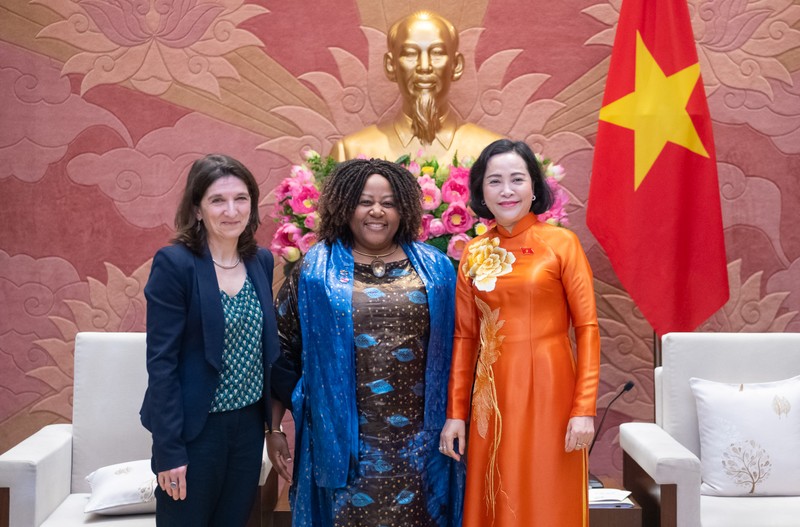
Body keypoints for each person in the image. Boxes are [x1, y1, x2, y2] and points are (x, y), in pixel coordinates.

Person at [267, 158, 464, 526]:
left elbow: (461, 348)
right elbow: (283, 351)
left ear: (403, 208)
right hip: (343, 445)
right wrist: (274, 428)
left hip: (421, 447)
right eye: (365, 201)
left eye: (388, 202)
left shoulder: (436, 269)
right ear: (345, 206)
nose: (377, 212)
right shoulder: (315, 270)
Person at [439, 139, 600, 526]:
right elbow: (464, 337)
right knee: (494, 490)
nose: (506, 190)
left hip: (551, 390)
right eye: (494, 181)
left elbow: (587, 328)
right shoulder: (474, 252)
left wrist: (584, 409)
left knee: (545, 488)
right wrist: (455, 414)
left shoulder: (561, 244)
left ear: (534, 188)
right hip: (490, 396)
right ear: (480, 191)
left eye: (517, 179)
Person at [140, 154, 279, 526]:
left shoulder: (261, 262)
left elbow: (268, 352)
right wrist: (168, 451)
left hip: (247, 428)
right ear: (198, 209)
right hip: (195, 431)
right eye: (218, 200)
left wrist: (274, 426)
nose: (231, 210)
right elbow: (162, 364)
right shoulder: (175, 264)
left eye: (241, 199)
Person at [330, 11, 502, 165]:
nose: (424, 66)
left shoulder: (494, 154)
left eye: (437, 53)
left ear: (456, 66)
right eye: (410, 54)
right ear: (391, 66)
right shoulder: (350, 153)